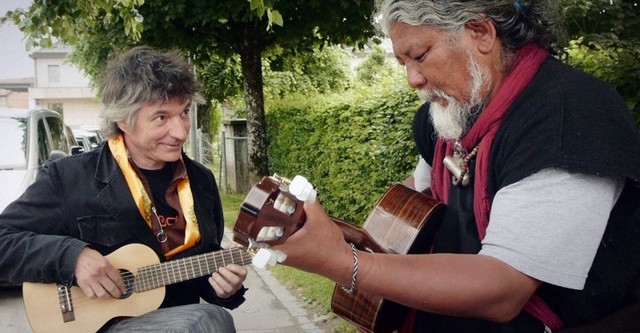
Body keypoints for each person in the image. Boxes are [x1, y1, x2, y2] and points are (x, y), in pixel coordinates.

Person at [272, 1, 640, 332]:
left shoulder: (569, 115)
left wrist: (340, 262)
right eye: (403, 63)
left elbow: (503, 289)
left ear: (480, 33)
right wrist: (327, 233)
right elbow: (414, 205)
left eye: (420, 55)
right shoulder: (449, 114)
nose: (412, 79)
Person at [0, 46, 247, 332]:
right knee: (209, 320)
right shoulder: (68, 177)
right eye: (161, 117)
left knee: (208, 317)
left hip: (180, 322)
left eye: (184, 113)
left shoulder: (201, 182)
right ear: (124, 120)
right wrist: (72, 257)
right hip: (100, 326)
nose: (180, 131)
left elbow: (202, 269)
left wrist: (225, 288)